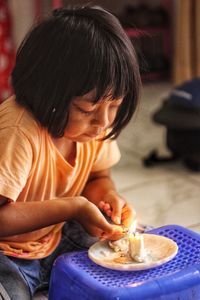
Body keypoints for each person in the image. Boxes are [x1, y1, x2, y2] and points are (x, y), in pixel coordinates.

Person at [0, 5, 141, 299]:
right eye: (86, 109)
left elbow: (98, 174)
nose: (102, 122)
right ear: (48, 93)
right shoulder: (18, 131)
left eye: (114, 106)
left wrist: (106, 198)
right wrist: (73, 207)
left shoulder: (93, 128)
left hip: (53, 237)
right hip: (5, 252)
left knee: (130, 253)